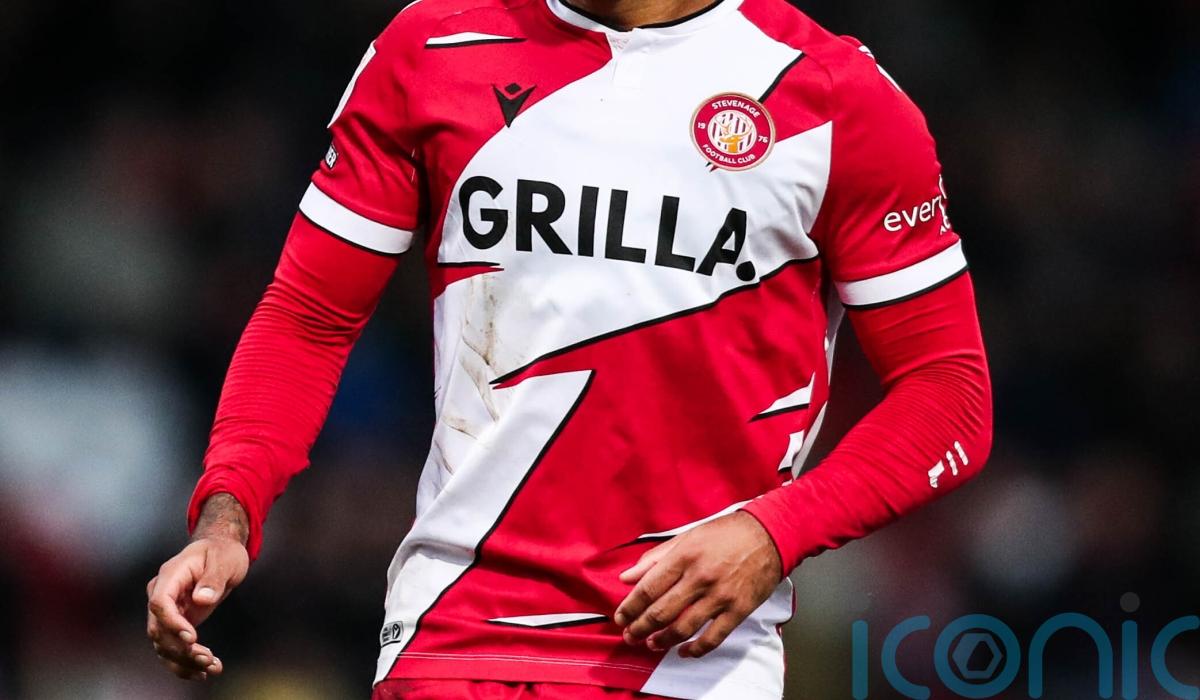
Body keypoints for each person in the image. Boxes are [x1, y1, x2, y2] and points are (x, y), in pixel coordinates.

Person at [145, 0, 993, 696]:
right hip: (451, 639)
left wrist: (775, 533)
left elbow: (950, 391)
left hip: (691, 658)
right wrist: (228, 514)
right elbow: (309, 314)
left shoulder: (834, 94)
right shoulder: (432, 46)